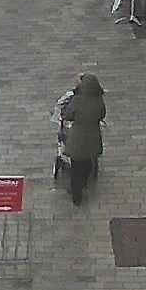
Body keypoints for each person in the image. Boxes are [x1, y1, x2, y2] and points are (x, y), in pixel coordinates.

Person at [60, 72, 106, 205]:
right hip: (93, 137)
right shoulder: (99, 100)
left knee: (76, 168)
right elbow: (102, 114)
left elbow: (68, 114)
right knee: (87, 163)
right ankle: (84, 183)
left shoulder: (77, 100)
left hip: (77, 139)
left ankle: (76, 196)